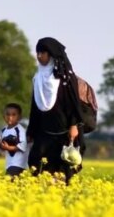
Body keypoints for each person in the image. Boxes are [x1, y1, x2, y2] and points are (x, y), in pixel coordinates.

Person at [26, 37, 85, 184]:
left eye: (43, 53)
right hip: (44, 132)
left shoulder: (65, 77)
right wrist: (31, 131)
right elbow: (35, 108)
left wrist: (73, 126)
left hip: (64, 133)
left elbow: (73, 103)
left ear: (51, 54)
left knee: (63, 168)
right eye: (37, 53)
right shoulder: (38, 77)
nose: (39, 56)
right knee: (36, 163)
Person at [0, 103, 28, 177]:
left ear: (19, 117)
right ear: (3, 116)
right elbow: (2, 147)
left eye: (14, 115)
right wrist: (0, 144)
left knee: (8, 183)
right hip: (9, 164)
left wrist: (8, 148)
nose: (10, 117)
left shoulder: (20, 130)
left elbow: (23, 146)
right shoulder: (3, 130)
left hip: (18, 165)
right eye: (7, 114)